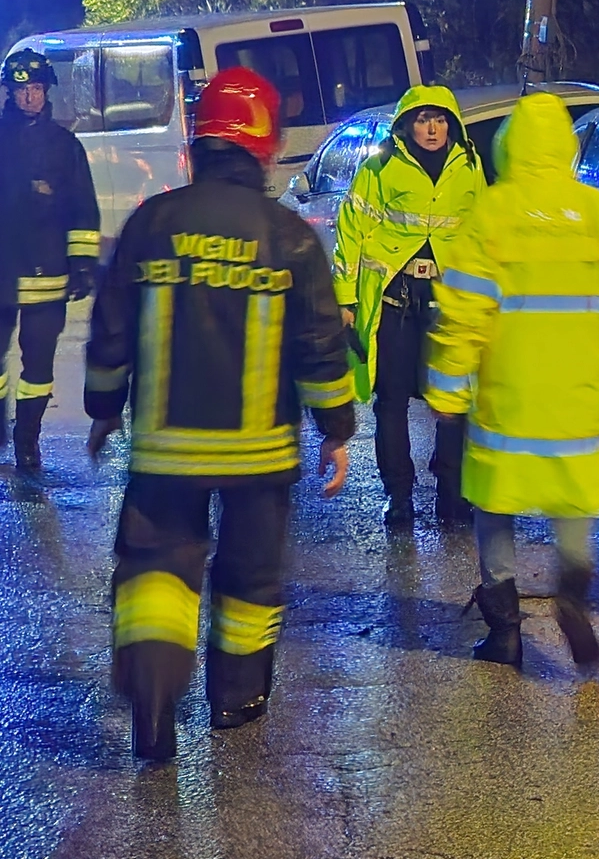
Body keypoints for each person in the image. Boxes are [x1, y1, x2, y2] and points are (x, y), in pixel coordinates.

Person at [84, 67, 355, 762]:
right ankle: (235, 701)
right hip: (258, 457)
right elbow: (320, 343)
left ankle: (151, 700)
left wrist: (103, 407)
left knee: (154, 573)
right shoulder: (288, 234)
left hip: (164, 452)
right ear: (263, 144)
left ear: (200, 141)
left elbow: (110, 330)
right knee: (248, 579)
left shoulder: (152, 222)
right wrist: (336, 429)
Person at [423, 93, 599, 670]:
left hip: (507, 397)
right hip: (574, 396)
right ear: (567, 148)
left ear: (509, 146)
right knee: (572, 503)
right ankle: (572, 595)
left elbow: (463, 312)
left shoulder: (490, 216)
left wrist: (447, 387)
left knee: (493, 507)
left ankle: (504, 630)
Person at [331, 86, 486, 525]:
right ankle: (399, 494)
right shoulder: (379, 167)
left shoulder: (470, 167)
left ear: (452, 123)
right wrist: (345, 299)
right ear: (406, 125)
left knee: (453, 400)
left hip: (449, 298)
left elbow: (482, 233)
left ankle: (452, 493)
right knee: (391, 400)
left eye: (439, 119)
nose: (432, 128)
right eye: (422, 119)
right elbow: (350, 232)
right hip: (395, 298)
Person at [0, 48, 100, 471]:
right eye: (22, 89)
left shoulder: (65, 147)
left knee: (38, 365)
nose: (30, 97)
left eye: (37, 89)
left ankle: (27, 441)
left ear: (47, 92)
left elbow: (83, 210)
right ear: (10, 92)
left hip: (48, 275)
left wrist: (82, 265)